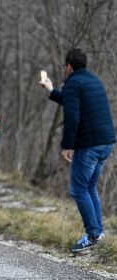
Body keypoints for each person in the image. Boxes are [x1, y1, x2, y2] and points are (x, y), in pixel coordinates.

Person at [39, 48, 116, 253]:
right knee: (89, 186)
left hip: (89, 145)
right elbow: (72, 101)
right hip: (106, 142)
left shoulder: (73, 82)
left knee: (78, 189)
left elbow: (72, 116)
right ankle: (98, 232)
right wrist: (51, 89)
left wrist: (68, 145)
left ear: (69, 67)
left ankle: (91, 236)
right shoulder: (93, 80)